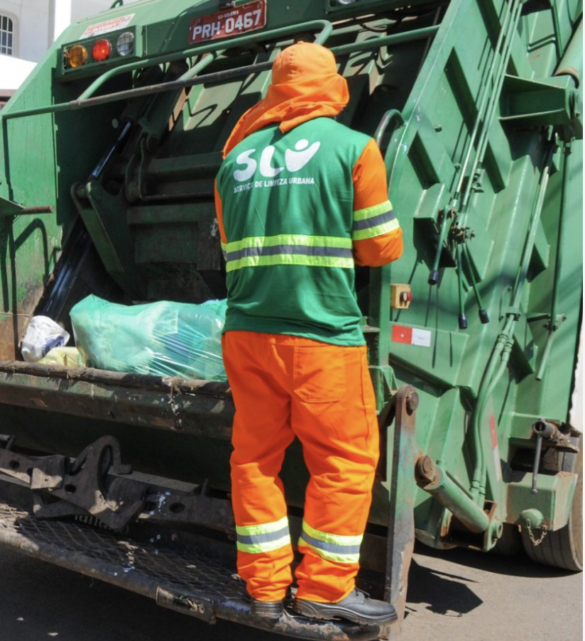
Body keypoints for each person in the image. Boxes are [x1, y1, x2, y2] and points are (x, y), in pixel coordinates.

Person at [214, 42, 403, 624]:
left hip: (247, 334)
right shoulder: (354, 148)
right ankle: (324, 590)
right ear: (332, 86)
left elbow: (230, 244)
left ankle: (265, 588)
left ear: (274, 89)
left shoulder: (233, 160)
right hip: (321, 336)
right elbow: (379, 248)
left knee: (254, 461)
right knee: (343, 461)